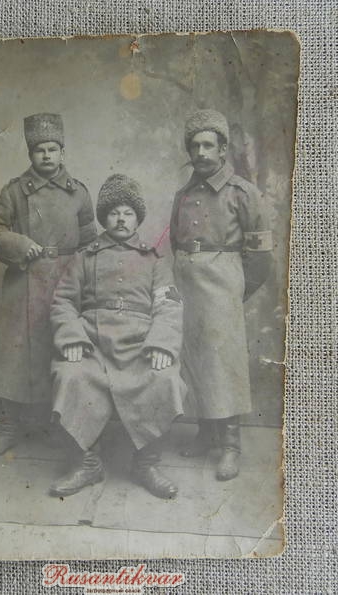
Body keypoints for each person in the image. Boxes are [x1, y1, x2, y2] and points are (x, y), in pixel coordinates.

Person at [49, 174, 185, 499]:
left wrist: (161, 344)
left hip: (141, 345)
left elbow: (168, 304)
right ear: (103, 218)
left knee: (164, 377)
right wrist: (72, 338)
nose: (121, 219)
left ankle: (146, 464)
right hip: (92, 344)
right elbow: (63, 301)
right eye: (113, 213)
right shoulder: (85, 257)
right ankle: (88, 463)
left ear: (138, 218)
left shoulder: (154, 260)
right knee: (71, 375)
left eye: (128, 213)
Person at [0, 113, 97, 458]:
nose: (46, 155)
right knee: (14, 353)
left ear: (62, 152)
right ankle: (8, 425)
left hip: (66, 281)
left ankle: (57, 424)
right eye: (39, 150)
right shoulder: (15, 191)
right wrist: (19, 244)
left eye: (52, 149)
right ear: (30, 154)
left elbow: (90, 241)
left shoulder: (78, 193)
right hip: (25, 280)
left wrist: (84, 279)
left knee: (61, 348)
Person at [170, 109, 273, 481]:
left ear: (223, 148)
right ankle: (205, 434)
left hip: (223, 285)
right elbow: (175, 240)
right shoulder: (184, 194)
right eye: (194, 146)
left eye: (208, 145)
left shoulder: (242, 193)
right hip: (189, 285)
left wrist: (233, 291)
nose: (200, 152)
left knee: (224, 364)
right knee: (196, 360)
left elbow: (260, 257)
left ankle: (230, 446)